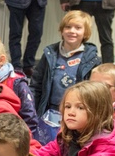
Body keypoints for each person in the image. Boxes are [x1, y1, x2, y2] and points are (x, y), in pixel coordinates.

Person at [31, 10, 100, 143]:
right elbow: (36, 85)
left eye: (78, 28)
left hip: (76, 115)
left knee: (69, 147)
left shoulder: (92, 59)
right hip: (49, 113)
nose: (72, 31)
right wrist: (33, 112)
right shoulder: (50, 54)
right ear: (62, 30)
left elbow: (95, 92)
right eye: (68, 27)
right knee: (47, 148)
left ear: (85, 33)